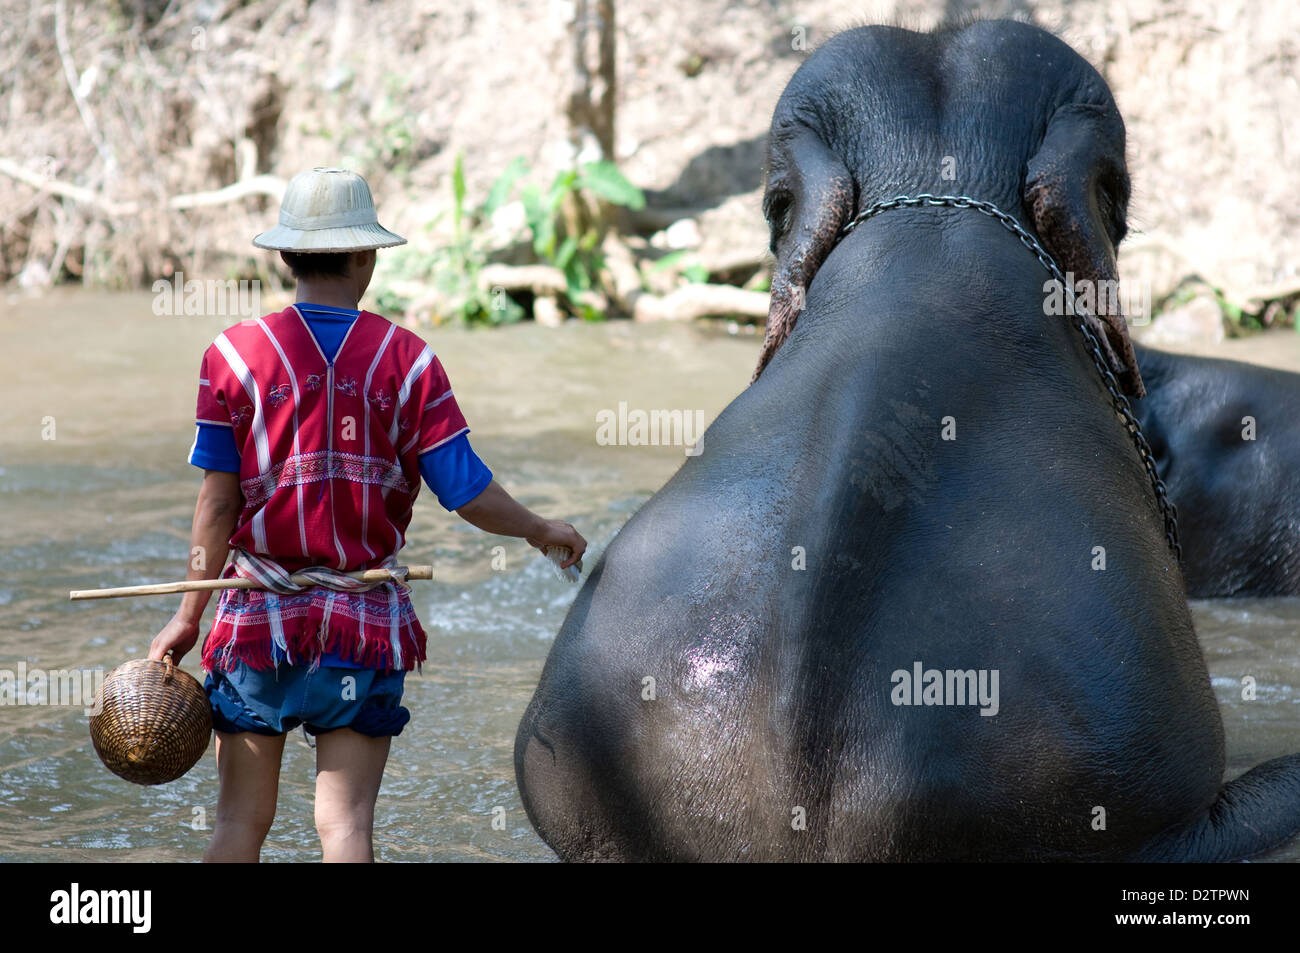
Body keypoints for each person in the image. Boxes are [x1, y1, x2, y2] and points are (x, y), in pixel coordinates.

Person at [148, 167, 586, 863]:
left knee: (237, 824)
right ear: (365, 256)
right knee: (346, 828)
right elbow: (467, 491)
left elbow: (218, 502)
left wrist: (187, 616)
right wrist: (539, 529)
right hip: (361, 628)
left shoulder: (229, 357)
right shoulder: (408, 362)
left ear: (287, 254)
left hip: (258, 621)